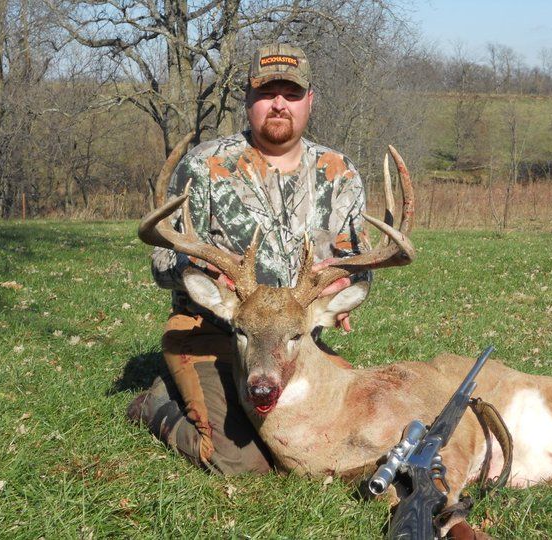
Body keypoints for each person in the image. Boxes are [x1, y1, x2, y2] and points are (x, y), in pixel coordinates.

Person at [127, 43, 370, 475]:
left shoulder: (339, 172)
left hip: (294, 342)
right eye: (266, 91)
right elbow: (162, 261)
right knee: (242, 461)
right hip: (212, 334)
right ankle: (157, 404)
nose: (279, 104)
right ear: (248, 97)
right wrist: (199, 269)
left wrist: (341, 285)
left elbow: (360, 263)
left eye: (291, 93)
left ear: (309, 100)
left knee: (351, 424)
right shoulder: (205, 166)